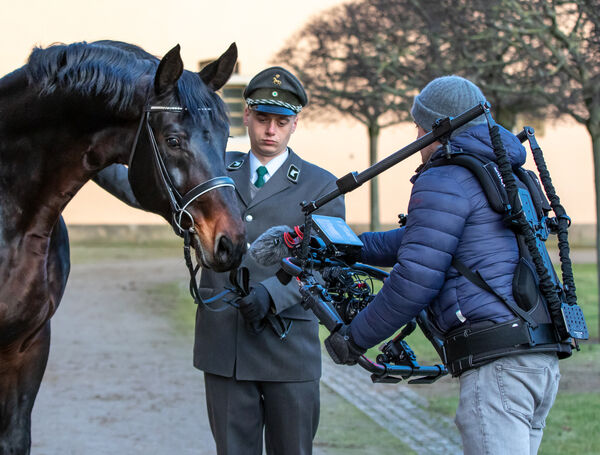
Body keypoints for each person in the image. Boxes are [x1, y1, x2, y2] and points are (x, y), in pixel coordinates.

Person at [324, 76, 561, 455]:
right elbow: (425, 241)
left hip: (497, 368)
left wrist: (355, 338)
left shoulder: (446, 176)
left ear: (437, 127)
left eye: (418, 125)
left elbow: (415, 278)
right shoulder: (501, 171)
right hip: (537, 359)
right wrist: (351, 247)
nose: (415, 135)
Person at [194, 67, 344, 455]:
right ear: (246, 116)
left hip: (287, 347)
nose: (270, 130)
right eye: (262, 119)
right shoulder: (214, 171)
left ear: (296, 123)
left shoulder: (321, 185)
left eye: (281, 121)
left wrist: (274, 295)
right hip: (225, 344)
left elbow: (325, 265)